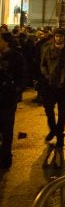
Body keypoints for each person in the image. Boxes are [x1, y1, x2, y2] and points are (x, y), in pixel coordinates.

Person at [41, 27, 65, 148]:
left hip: (64, 85)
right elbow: (43, 65)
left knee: (62, 112)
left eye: (61, 36)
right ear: (54, 37)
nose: (58, 38)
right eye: (57, 36)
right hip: (50, 84)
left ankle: (60, 135)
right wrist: (47, 75)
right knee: (49, 110)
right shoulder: (48, 49)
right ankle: (53, 129)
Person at [0, 32, 25, 169]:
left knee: (7, 129)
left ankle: (5, 157)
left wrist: (15, 90)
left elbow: (21, 77)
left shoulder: (16, 57)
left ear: (6, 42)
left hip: (7, 99)